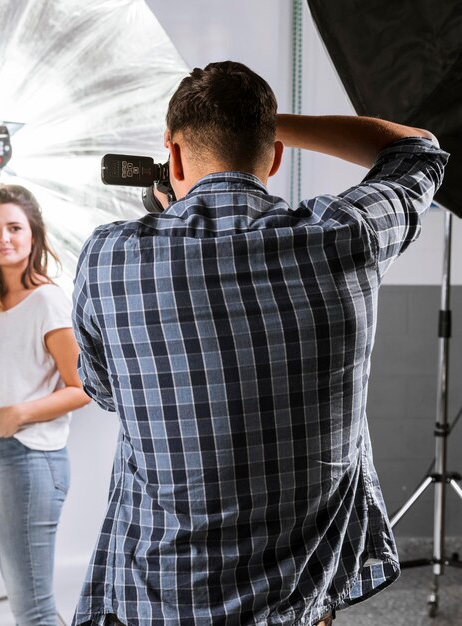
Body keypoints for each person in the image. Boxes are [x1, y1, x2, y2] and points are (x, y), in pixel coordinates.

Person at [70, 61, 448, 626]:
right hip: (296, 599)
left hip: (157, 597)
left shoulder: (109, 256)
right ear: (272, 156)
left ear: (172, 155)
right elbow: (420, 151)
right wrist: (270, 122)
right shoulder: (346, 236)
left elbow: (104, 388)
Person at [0, 184, 90, 626]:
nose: (4, 238)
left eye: (15, 227)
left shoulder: (48, 301)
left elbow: (84, 387)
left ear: (33, 234)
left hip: (31, 459)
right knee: (22, 597)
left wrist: (20, 413)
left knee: (31, 608)